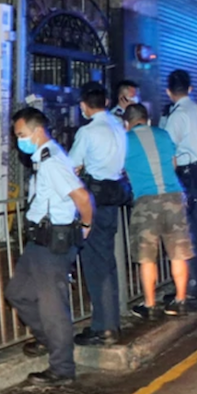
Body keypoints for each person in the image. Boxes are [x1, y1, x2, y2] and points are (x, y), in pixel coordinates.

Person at [6, 107, 94, 387]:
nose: (18, 140)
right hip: (39, 242)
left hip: (52, 244)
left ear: (37, 131)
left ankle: (62, 368)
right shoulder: (45, 158)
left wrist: (85, 225)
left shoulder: (52, 161)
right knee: (18, 293)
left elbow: (82, 197)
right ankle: (49, 340)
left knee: (52, 307)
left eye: (21, 134)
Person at [123, 104, 194, 319]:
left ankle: (150, 305)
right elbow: (173, 164)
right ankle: (180, 300)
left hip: (146, 201)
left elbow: (120, 169)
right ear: (148, 120)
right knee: (178, 253)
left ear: (126, 123)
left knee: (147, 256)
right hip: (174, 197)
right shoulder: (163, 135)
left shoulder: (124, 140)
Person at [70, 82, 128, 347]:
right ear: (106, 102)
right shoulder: (118, 126)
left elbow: (72, 164)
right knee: (107, 260)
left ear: (83, 105)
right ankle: (110, 321)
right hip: (113, 196)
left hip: (93, 200)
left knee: (96, 265)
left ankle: (103, 327)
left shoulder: (88, 131)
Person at [162, 69, 197, 302]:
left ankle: (192, 285)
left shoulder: (177, 116)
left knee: (186, 233)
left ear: (168, 92)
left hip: (186, 177)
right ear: (190, 88)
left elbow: (168, 150)